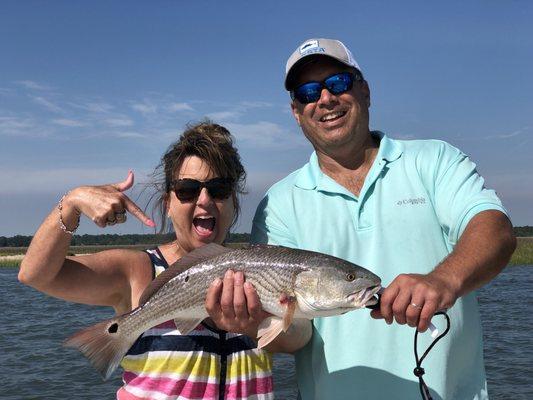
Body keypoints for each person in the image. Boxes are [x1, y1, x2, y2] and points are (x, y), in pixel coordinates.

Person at [250, 38, 516, 399]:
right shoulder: (278, 203)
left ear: (365, 90)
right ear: (296, 112)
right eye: (308, 91)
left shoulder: (434, 160)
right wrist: (249, 321)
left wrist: (444, 280)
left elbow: (494, 229)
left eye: (338, 83)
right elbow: (296, 335)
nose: (325, 98)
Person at [19, 122, 275, 400]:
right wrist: (71, 204)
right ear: (168, 202)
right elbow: (36, 274)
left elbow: (301, 336)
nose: (204, 200)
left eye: (219, 188)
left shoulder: (263, 269)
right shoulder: (139, 269)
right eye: (187, 189)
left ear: (234, 201)